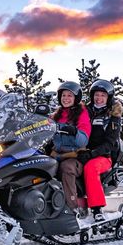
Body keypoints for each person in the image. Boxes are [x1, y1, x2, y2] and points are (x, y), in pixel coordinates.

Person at [77, 79, 122, 222]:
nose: (99, 98)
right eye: (97, 94)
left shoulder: (112, 116)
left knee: (90, 168)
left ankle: (97, 209)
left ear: (108, 97)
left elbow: (110, 143)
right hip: (82, 151)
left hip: (103, 156)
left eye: (103, 95)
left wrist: (92, 153)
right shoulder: (85, 112)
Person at [49, 81, 90, 213]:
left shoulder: (82, 114)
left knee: (66, 168)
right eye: (63, 95)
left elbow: (83, 140)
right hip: (57, 154)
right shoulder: (57, 115)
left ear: (76, 98)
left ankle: (72, 208)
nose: (66, 98)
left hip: (75, 156)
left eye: (69, 96)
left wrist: (75, 132)